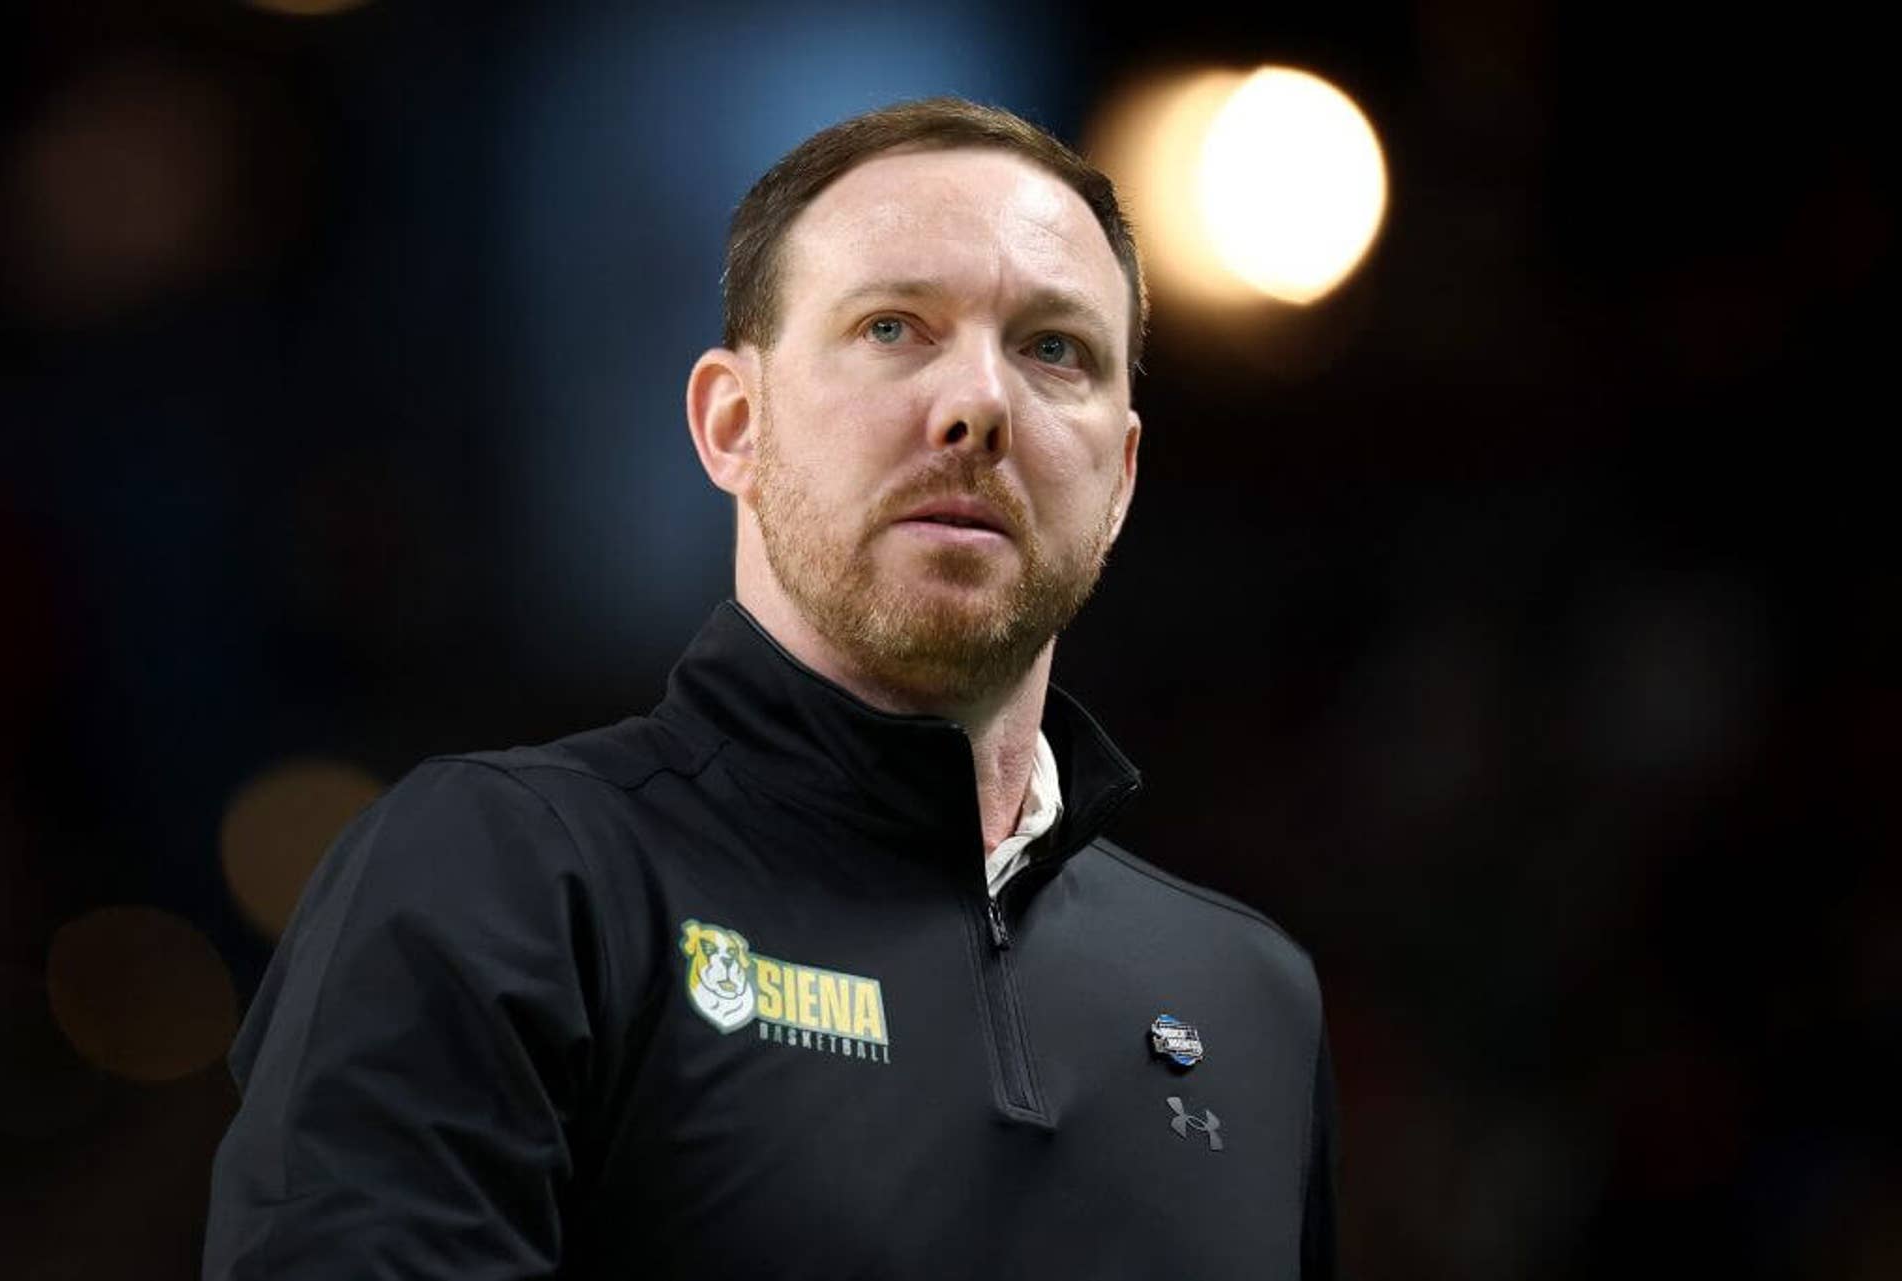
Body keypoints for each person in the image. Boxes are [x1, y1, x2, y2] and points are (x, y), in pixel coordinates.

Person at [203, 97, 1337, 1279]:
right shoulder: (509, 877)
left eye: (1055, 349)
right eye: (895, 327)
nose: (979, 406)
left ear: (1122, 478)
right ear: (733, 423)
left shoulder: (1250, 1001)